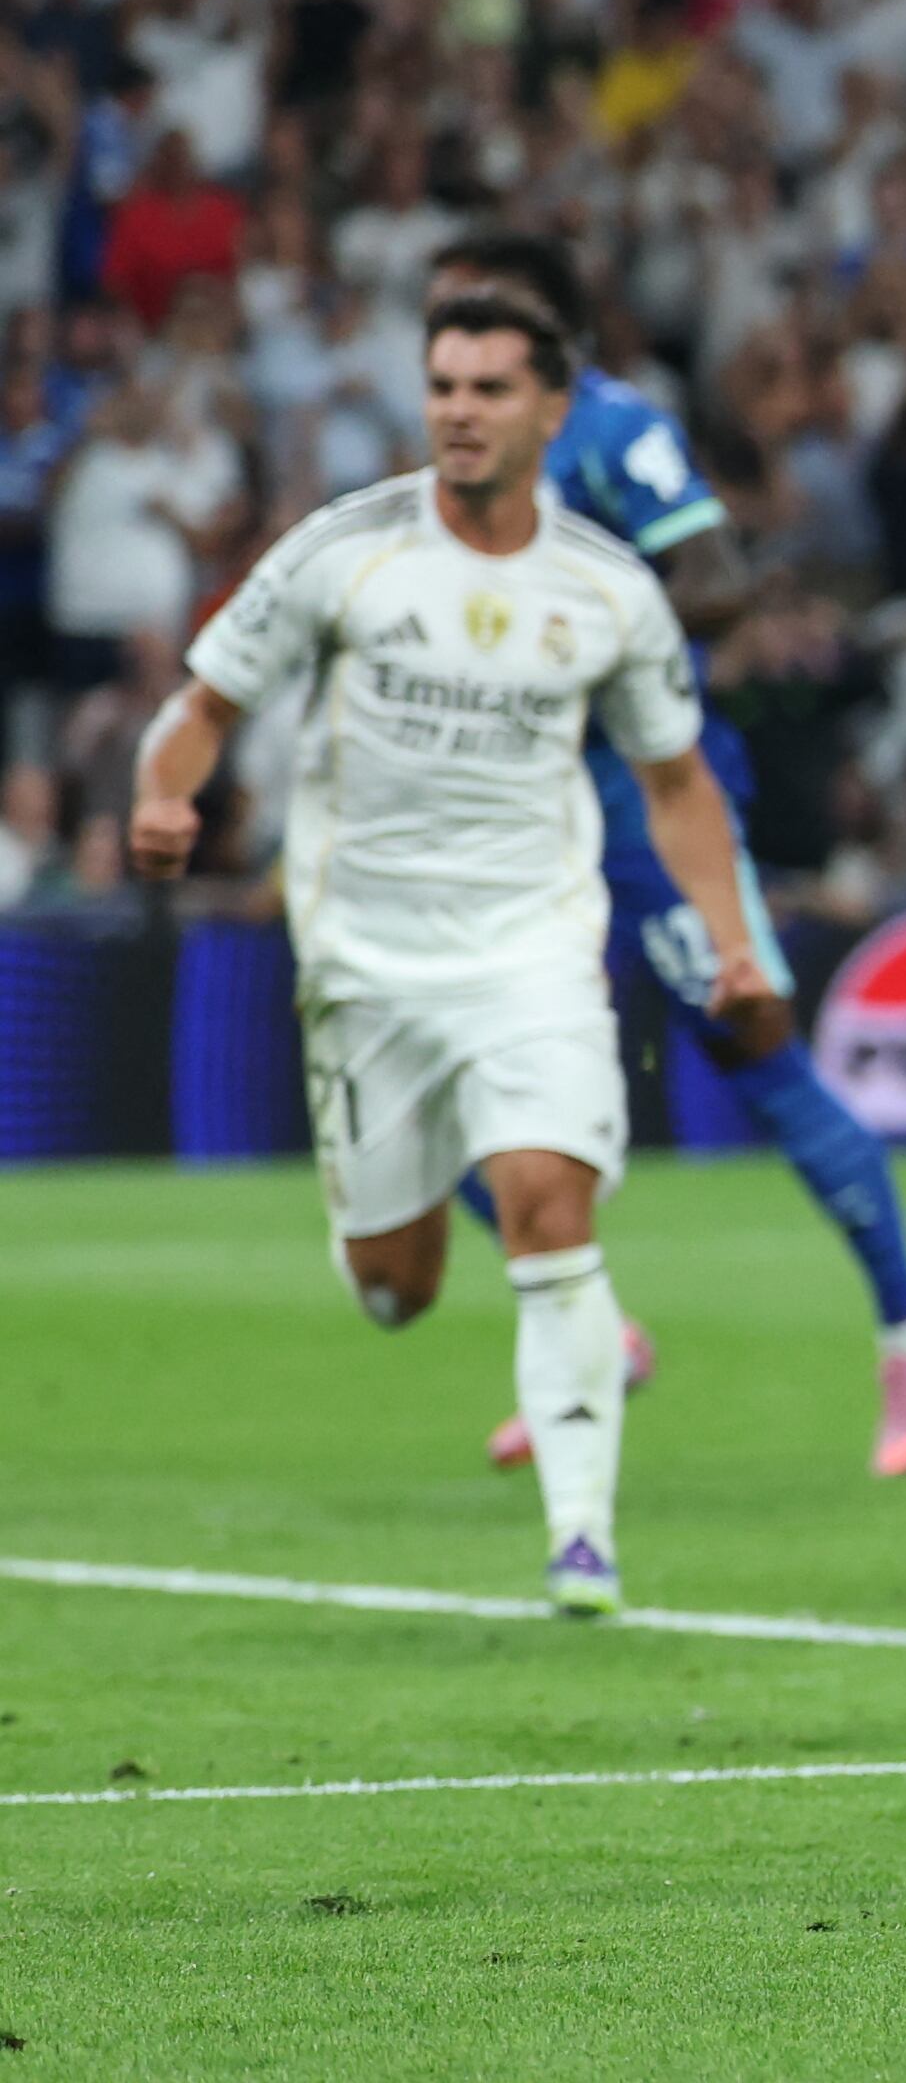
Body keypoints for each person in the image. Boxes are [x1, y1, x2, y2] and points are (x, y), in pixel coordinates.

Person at [124, 291, 783, 1613]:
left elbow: (676, 784)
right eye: (443, 386)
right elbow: (204, 703)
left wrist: (733, 940)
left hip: (533, 947)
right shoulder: (345, 549)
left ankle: (583, 1540)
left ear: (552, 411)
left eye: (489, 389)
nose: (459, 411)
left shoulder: (605, 586)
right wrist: (162, 795)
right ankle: (377, 1233)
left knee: (549, 1200)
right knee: (396, 1290)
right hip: (366, 965)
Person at [426, 232, 906, 1482]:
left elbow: (718, 579)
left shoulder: (616, 432)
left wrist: (595, 641)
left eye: (487, 333)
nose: (458, 372)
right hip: (518, 816)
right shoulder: (455, 461)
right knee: (431, 1091)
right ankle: (590, 1331)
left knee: (759, 1050)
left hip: (642, 803)